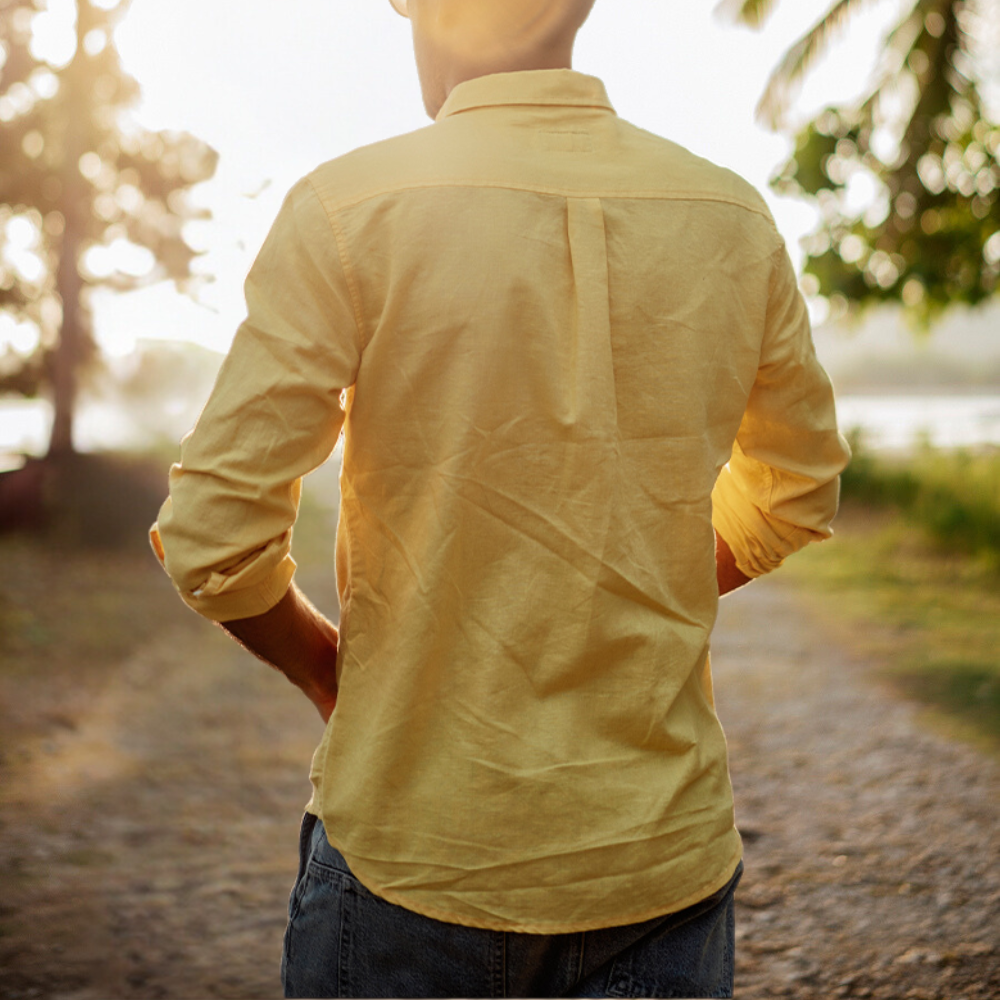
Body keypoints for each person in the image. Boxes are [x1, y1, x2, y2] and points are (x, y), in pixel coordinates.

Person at [150, 0, 850, 995]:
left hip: (412, 855)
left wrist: (324, 670)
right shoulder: (730, 214)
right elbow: (796, 490)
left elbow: (213, 537)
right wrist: (636, 581)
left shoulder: (350, 208)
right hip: (656, 859)